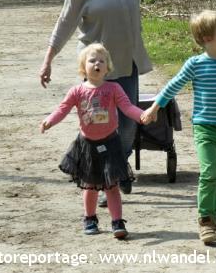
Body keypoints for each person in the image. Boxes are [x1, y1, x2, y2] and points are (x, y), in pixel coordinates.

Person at [39, 0, 152, 201]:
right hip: (97, 68)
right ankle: (107, 178)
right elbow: (65, 22)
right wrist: (48, 59)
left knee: (126, 127)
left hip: (128, 62)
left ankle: (118, 165)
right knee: (101, 125)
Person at [141, 10, 216, 244]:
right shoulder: (195, 64)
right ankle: (205, 220)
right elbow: (172, 87)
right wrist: (153, 108)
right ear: (208, 38)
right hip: (204, 128)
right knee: (210, 174)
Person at [40, 44, 145, 239]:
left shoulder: (114, 88)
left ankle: (117, 221)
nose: (97, 64)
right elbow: (62, 109)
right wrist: (49, 121)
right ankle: (90, 218)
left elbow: (127, 107)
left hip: (111, 143)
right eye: (92, 60)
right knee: (89, 186)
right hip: (87, 145)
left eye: (101, 61)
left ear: (107, 68)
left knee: (112, 186)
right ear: (83, 67)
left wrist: (142, 115)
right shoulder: (77, 91)